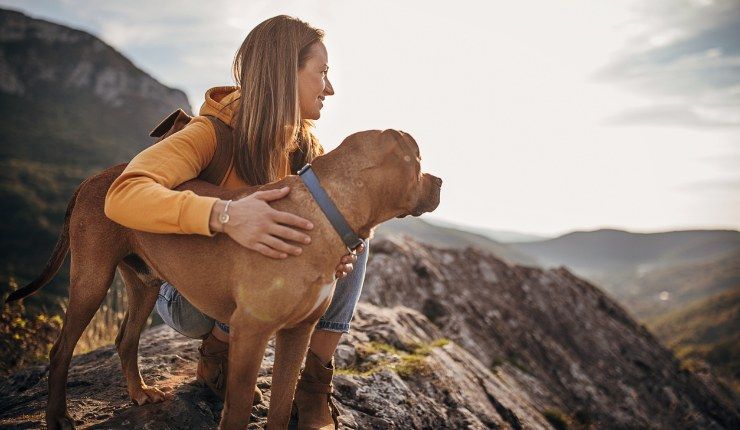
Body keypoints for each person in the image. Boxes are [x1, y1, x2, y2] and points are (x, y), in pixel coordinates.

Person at [104, 15, 368, 429]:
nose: (330, 88)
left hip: (247, 288)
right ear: (285, 75)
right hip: (189, 294)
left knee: (350, 232)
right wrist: (224, 216)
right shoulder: (210, 132)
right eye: (322, 73)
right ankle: (217, 354)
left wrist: (332, 259)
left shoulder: (304, 148)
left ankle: (313, 387)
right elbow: (121, 193)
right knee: (257, 246)